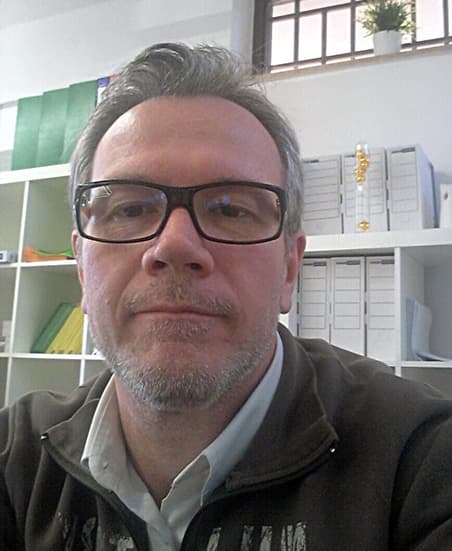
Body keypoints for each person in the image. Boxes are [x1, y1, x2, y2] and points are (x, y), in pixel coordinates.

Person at [1, 43, 452, 551]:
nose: (174, 246)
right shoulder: (15, 460)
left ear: (289, 268)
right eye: (129, 209)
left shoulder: (421, 461)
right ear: (82, 267)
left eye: (232, 210)